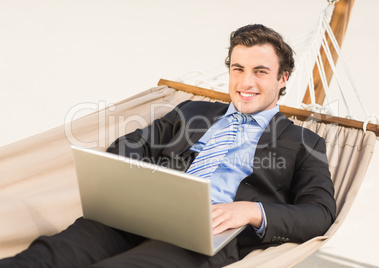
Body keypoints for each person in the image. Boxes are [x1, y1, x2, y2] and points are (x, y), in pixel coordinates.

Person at [0, 24, 336, 268]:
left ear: (283, 78)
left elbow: (319, 213)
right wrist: (148, 185)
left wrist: (250, 212)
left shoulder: (304, 142)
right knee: (44, 258)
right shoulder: (193, 111)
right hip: (137, 215)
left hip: (203, 239)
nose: (246, 83)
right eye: (238, 69)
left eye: (260, 72)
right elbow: (132, 144)